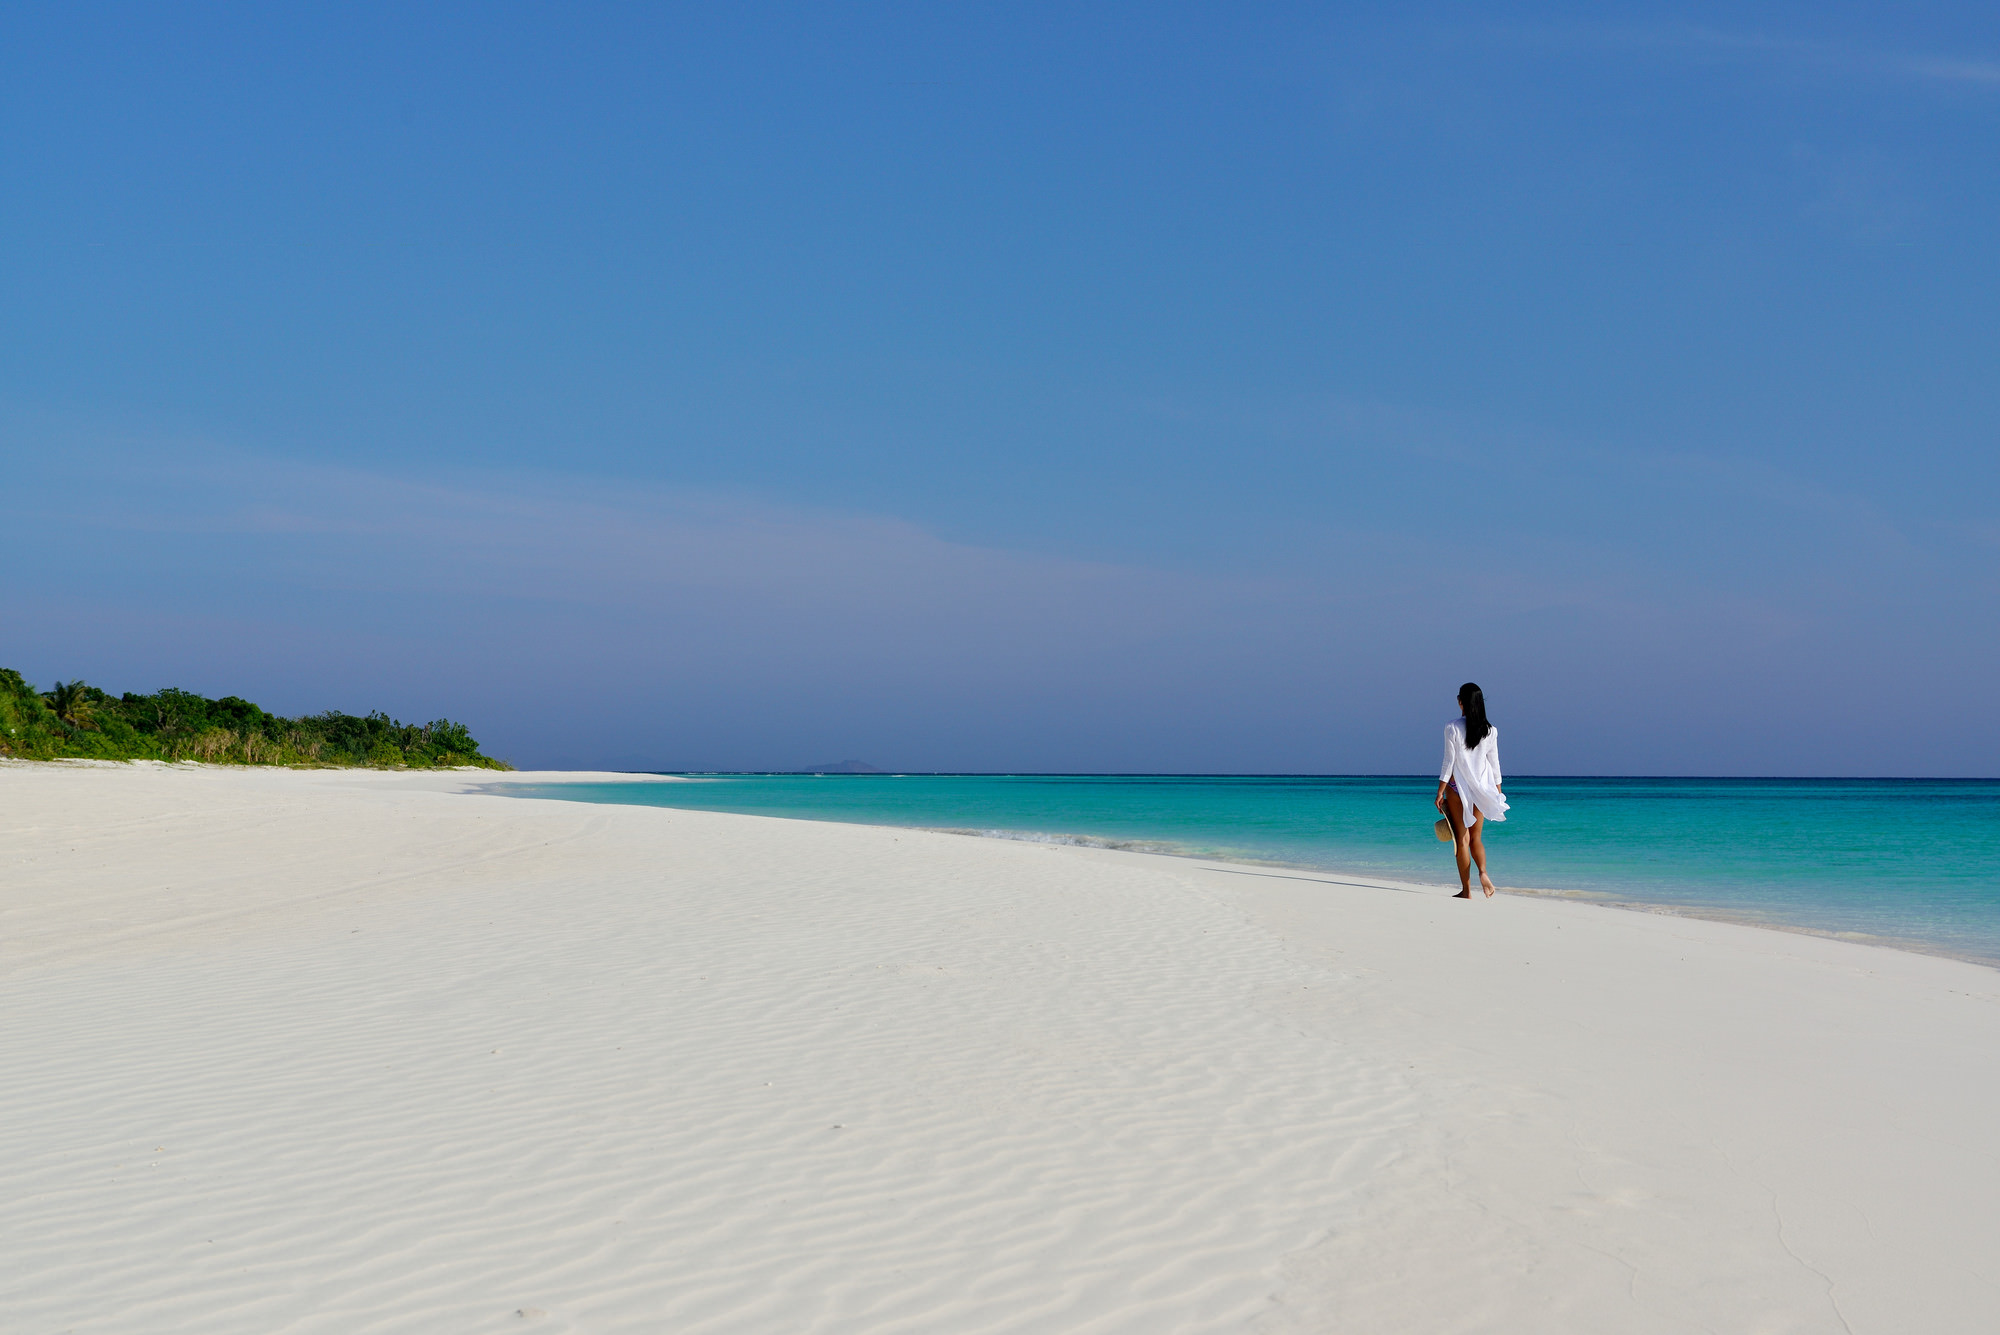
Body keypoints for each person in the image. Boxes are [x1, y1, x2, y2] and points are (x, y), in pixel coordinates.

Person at [1435, 682, 1507, 898]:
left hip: (1457, 788)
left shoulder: (1452, 727)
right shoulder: (1490, 731)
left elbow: (1449, 762)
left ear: (1461, 702)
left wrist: (1440, 791)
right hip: (1482, 790)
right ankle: (1483, 872)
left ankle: (1466, 891)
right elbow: (1495, 765)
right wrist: (1497, 793)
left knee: (1462, 839)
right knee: (1476, 839)